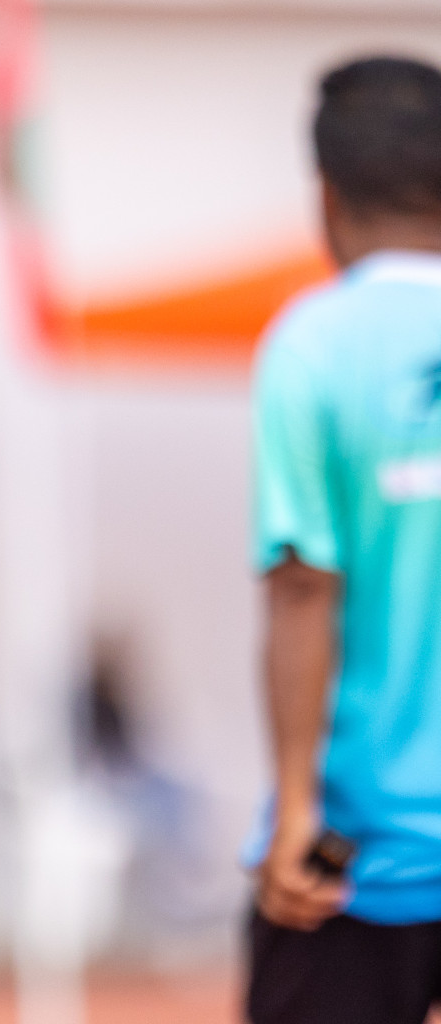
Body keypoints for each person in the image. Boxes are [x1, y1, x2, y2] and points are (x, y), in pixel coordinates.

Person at [248, 56, 441, 1023]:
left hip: (357, 853)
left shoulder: (313, 343)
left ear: (325, 193)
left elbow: (302, 589)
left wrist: (293, 809)